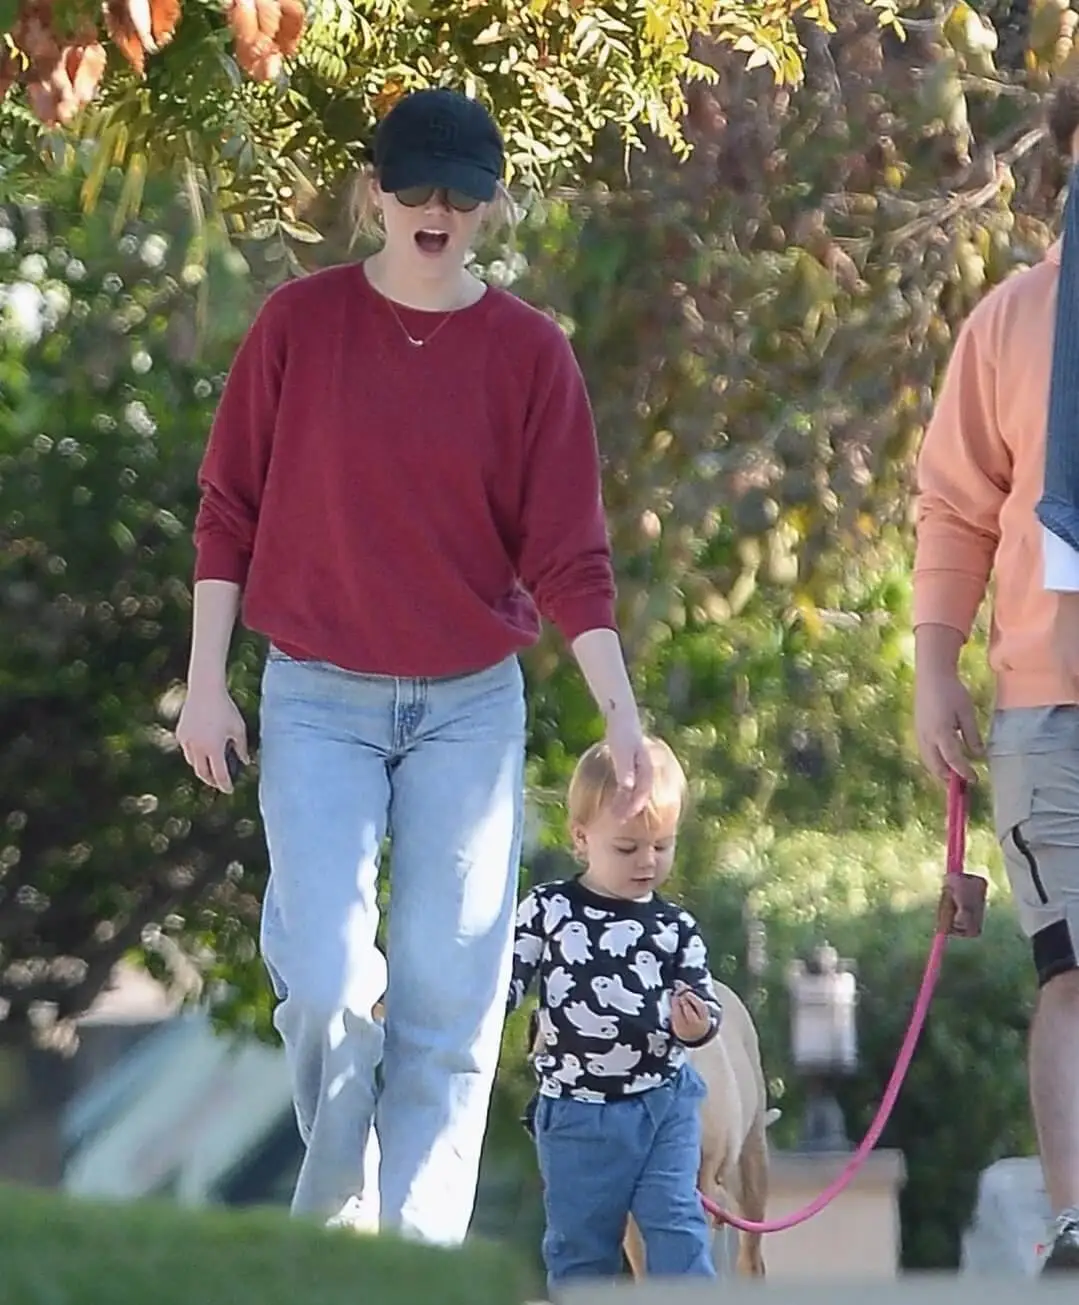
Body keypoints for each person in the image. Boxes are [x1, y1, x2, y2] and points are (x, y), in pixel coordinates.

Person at [174, 85, 654, 1247]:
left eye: (461, 194)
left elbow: (569, 557)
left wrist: (621, 714)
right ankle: (338, 1215)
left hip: (465, 712)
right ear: (373, 192)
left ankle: (416, 1257)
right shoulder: (299, 326)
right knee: (331, 973)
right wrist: (203, 682)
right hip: (317, 695)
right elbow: (227, 508)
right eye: (415, 188)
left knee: (446, 1001)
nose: (437, 211)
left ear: (487, 206)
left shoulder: (530, 356)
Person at [913, 80, 1079, 1274]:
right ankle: (1075, 1225)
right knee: (1071, 969)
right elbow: (955, 507)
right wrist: (932, 670)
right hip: (1047, 704)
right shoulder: (1014, 322)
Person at [508, 736, 721, 1292]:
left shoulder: (676, 928)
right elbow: (503, 984)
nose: (648, 861)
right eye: (627, 848)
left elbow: (703, 1002)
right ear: (581, 839)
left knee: (677, 1225)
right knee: (581, 1246)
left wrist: (696, 1025)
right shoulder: (548, 909)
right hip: (577, 1114)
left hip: (663, 1105)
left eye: (662, 846)